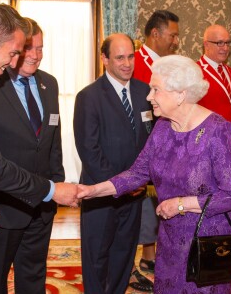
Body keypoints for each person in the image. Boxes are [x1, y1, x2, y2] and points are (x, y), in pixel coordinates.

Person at [77, 55, 231, 293]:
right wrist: (92, 190)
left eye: (155, 90)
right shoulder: (163, 127)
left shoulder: (217, 130)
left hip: (205, 243)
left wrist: (181, 204)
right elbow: (137, 173)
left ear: (180, 94)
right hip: (169, 242)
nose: (148, 97)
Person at [0, 3, 78, 257]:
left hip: (36, 205)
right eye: (13, 52)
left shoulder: (47, 83)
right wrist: (52, 189)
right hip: (2, 206)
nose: (14, 60)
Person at [0, 18, 63, 294]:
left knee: (34, 277)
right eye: (27, 49)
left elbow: (52, 141)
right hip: (1, 209)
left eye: (40, 48)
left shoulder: (50, 83)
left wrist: (56, 184)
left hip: (42, 206)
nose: (34, 55)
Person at [73, 33, 153, 294]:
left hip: (135, 194)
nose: (127, 63)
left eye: (131, 56)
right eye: (120, 57)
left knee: (124, 255)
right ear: (104, 59)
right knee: (97, 258)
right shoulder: (89, 96)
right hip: (100, 194)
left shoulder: (145, 92)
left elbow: (151, 141)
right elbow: (89, 151)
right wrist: (121, 185)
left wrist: (140, 180)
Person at [130, 9, 179, 292]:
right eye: (172, 35)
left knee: (156, 209)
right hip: (141, 148)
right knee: (134, 214)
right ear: (155, 34)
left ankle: (150, 257)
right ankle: (130, 264)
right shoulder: (136, 62)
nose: (174, 41)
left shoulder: (168, 65)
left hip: (164, 145)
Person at [197, 24, 231, 149]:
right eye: (220, 43)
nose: (225, 48)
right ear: (206, 44)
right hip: (208, 145)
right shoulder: (195, 72)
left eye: (228, 43)